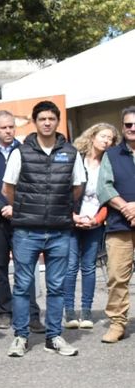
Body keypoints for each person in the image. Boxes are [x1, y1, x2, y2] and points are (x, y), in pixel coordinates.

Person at [2, 100, 85, 357]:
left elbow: (77, 187)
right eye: (42, 119)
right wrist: (25, 209)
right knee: (22, 285)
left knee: (57, 286)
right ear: (35, 122)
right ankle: (20, 336)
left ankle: (54, 337)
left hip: (60, 230)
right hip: (27, 230)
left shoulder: (71, 153)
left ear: (57, 122)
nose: (47, 123)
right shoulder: (20, 152)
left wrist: (59, 207)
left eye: (51, 119)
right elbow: (8, 189)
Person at [0, 110, 43, 332]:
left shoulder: (26, 151)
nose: (8, 131)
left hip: (22, 218)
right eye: (3, 127)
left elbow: (33, 183)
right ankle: (4, 311)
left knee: (26, 267)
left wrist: (15, 206)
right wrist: (1, 206)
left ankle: (31, 314)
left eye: (11, 127)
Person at [63, 123, 115, 329]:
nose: (107, 141)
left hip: (95, 221)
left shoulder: (110, 164)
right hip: (72, 220)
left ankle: (86, 312)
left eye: (110, 138)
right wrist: (72, 216)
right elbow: (62, 191)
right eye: (103, 136)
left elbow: (110, 197)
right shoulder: (76, 159)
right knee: (70, 266)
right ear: (92, 137)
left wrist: (97, 219)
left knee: (89, 267)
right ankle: (69, 312)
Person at [96, 106, 135, 343]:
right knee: (117, 277)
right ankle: (117, 323)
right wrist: (127, 209)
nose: (133, 128)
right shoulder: (111, 155)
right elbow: (104, 188)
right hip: (120, 225)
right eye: (128, 124)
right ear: (123, 127)